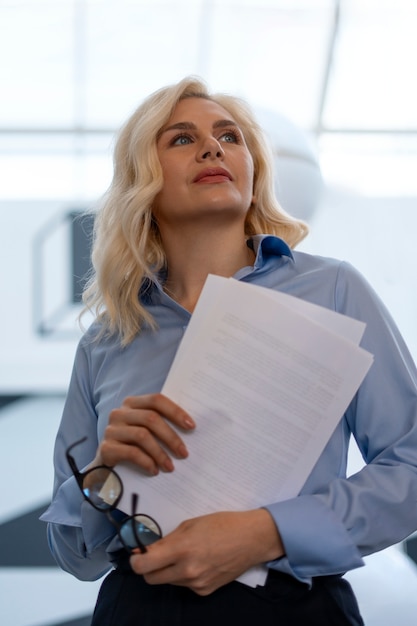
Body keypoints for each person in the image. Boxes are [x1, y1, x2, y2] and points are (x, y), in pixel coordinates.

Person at [41, 76, 417, 626]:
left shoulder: (335, 290)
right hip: (140, 610)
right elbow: (77, 556)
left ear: (252, 169)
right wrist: (103, 472)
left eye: (229, 136)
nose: (213, 147)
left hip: (297, 609)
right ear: (142, 180)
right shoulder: (106, 340)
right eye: (181, 139)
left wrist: (265, 533)